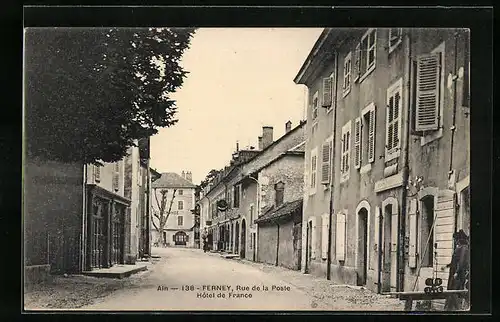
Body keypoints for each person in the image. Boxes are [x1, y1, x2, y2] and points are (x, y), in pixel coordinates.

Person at [444, 229, 470, 311]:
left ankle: (456, 309)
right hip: (454, 272)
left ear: (459, 240)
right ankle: (451, 308)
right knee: (452, 291)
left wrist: (457, 272)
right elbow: (455, 260)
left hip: (458, 274)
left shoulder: (464, 248)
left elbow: (461, 262)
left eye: (456, 240)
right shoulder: (460, 248)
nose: (455, 241)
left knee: (454, 291)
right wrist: (447, 266)